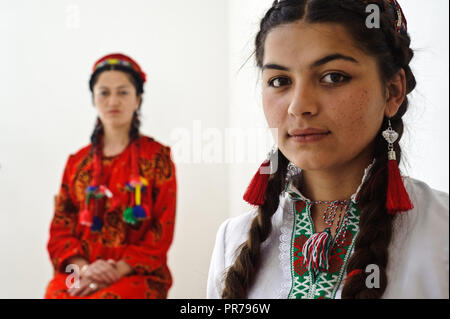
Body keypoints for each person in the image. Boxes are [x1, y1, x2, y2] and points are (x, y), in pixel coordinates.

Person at [207, 0, 448, 299]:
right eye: (280, 81)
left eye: (333, 77)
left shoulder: (442, 233)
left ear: (393, 91)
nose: (299, 106)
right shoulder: (234, 240)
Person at [45, 53, 177, 299]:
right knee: (58, 294)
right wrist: (85, 270)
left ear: (138, 99)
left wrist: (116, 270)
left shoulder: (158, 158)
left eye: (123, 92)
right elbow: (60, 229)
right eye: (104, 92)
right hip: (82, 270)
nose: (113, 100)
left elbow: (161, 232)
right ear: (93, 98)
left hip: (137, 272)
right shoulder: (76, 163)